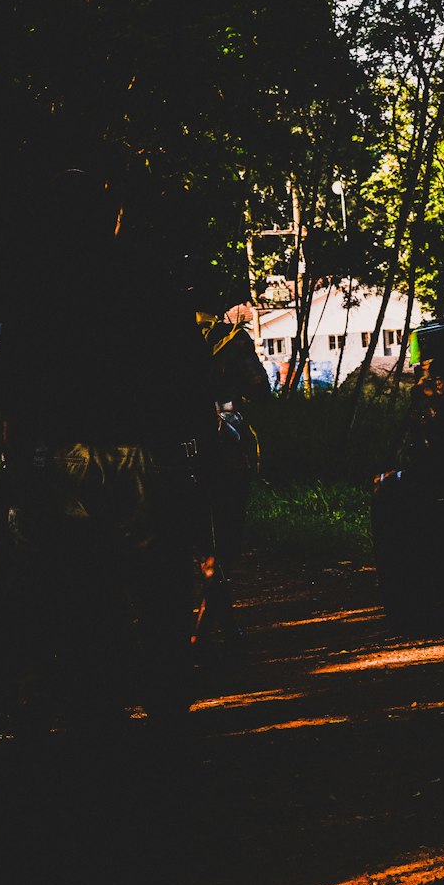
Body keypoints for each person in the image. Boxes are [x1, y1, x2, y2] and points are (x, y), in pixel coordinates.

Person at [0, 167, 217, 735]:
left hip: (57, 467)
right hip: (147, 463)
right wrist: (199, 477)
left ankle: (96, 716)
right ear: (113, 219)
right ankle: (166, 708)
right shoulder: (155, 290)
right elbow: (193, 391)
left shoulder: (26, 300)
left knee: (81, 595)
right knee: (158, 592)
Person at [188, 262, 271, 653]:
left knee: (199, 545)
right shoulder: (232, 340)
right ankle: (209, 630)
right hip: (225, 453)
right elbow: (261, 390)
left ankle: (214, 624)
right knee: (222, 546)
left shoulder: (161, 340)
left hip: (173, 455)